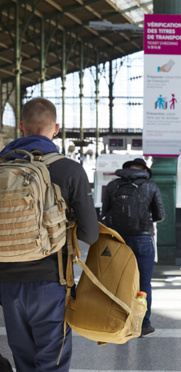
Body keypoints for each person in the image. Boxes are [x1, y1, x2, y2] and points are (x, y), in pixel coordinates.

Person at [0, 98, 99, 371]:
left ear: (21, 127)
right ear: (56, 128)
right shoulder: (69, 170)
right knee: (52, 361)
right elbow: (90, 234)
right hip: (50, 281)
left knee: (24, 359)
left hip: (6, 282)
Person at [101, 158, 165, 337]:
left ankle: (121, 323)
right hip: (143, 240)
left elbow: (104, 213)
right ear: (144, 169)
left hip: (118, 241)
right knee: (144, 284)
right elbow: (160, 215)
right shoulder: (150, 186)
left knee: (120, 282)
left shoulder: (113, 185)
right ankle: (143, 325)